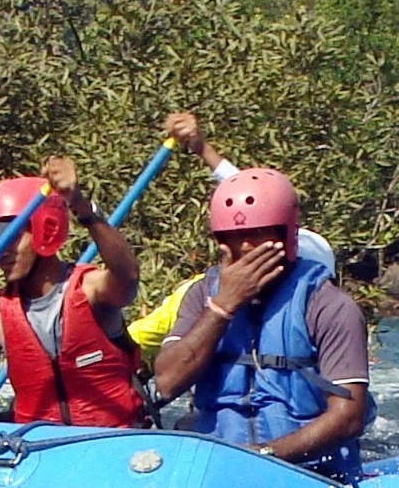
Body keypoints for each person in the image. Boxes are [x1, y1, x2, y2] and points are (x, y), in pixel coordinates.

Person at [147, 166, 373, 478]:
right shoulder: (202, 295)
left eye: (258, 234)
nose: (247, 248)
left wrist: (266, 455)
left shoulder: (330, 305)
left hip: (307, 473)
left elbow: (349, 417)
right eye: (234, 237)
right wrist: (223, 306)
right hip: (217, 468)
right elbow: (167, 383)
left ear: (287, 236)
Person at [128, 111, 338, 353]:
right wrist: (201, 148)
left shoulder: (316, 266)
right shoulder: (204, 289)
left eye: (259, 234)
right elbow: (245, 192)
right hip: (217, 299)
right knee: (138, 336)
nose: (247, 246)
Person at [0, 156, 147, 426]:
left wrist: (81, 205)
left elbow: (127, 276)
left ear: (47, 230)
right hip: (41, 453)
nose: (1, 250)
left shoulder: (90, 288)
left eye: (12, 237)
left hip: (111, 443)